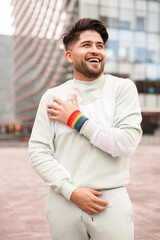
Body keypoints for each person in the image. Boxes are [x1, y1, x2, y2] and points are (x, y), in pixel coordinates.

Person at [29, 18, 142, 240]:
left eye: (100, 46)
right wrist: (70, 191)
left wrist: (76, 120)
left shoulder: (122, 88)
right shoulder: (52, 97)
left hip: (110, 202)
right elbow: (38, 151)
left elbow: (127, 142)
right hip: (63, 202)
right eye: (86, 45)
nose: (95, 50)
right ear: (69, 56)